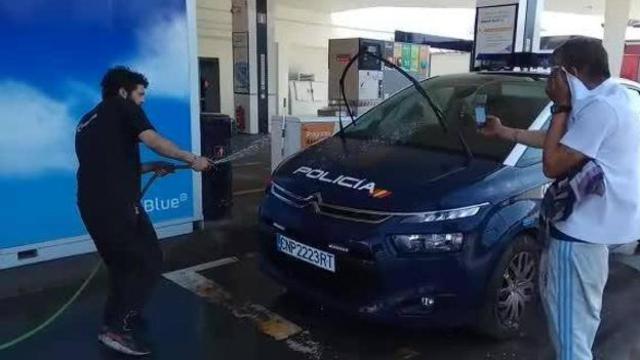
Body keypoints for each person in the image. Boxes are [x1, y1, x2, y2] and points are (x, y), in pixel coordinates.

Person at [481, 38, 640, 359]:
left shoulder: (600, 110)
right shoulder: (612, 97)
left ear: (574, 71)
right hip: (591, 234)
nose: (551, 79)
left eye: (556, 70)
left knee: (570, 337)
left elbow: (553, 164)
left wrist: (561, 106)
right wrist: (506, 133)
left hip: (578, 239)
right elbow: (562, 141)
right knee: (579, 323)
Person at [75, 66, 210, 356]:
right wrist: (192, 158)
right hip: (116, 206)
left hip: (97, 204)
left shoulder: (86, 122)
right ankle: (114, 328)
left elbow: (108, 168)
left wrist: (151, 167)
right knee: (143, 264)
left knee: (127, 265)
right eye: (141, 94)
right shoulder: (122, 106)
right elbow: (153, 139)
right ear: (124, 92)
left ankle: (125, 316)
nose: (143, 100)